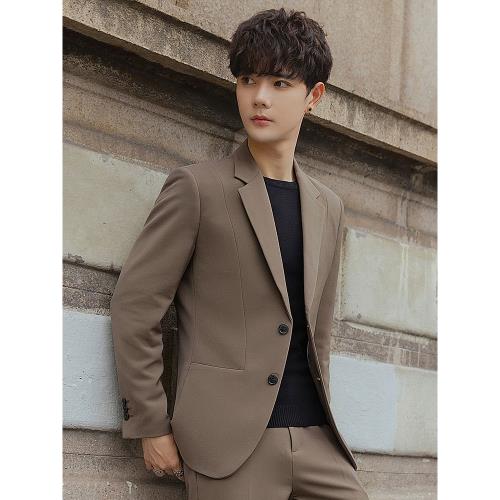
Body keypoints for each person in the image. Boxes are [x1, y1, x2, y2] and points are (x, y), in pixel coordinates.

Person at [111, 7, 369, 499]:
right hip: (228, 446)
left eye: (280, 83)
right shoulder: (197, 188)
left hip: (317, 440)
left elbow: (319, 333)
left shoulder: (328, 207)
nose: (259, 97)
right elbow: (135, 306)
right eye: (248, 80)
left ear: (313, 97)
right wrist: (150, 423)